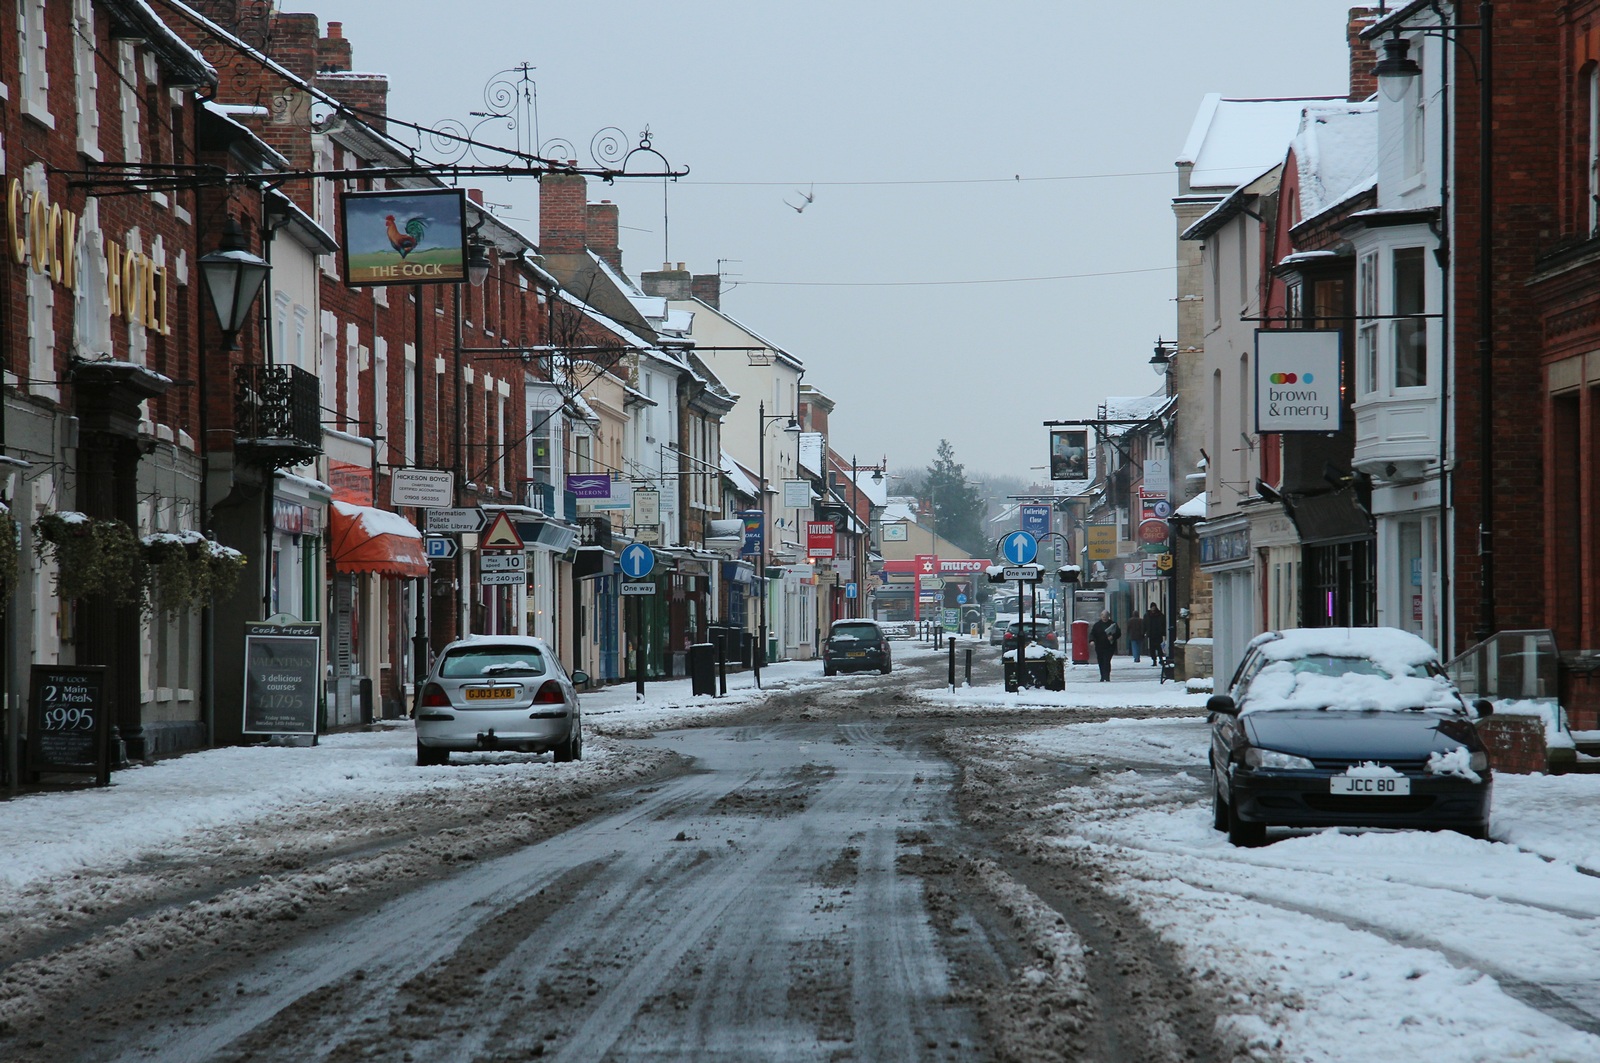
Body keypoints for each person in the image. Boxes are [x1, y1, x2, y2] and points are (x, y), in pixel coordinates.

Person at [1089, 610, 1120, 682]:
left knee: (1107, 660)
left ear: (1108, 617)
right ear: (1101, 616)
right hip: (1099, 646)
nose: (1104, 618)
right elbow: (1092, 634)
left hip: (1110, 646)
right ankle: (1102, 675)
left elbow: (1118, 633)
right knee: (1101, 661)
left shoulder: (1113, 624)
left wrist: (1113, 636)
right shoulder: (1097, 625)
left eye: (1106, 617)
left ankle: (1107, 676)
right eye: (1103, 617)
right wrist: (1091, 640)